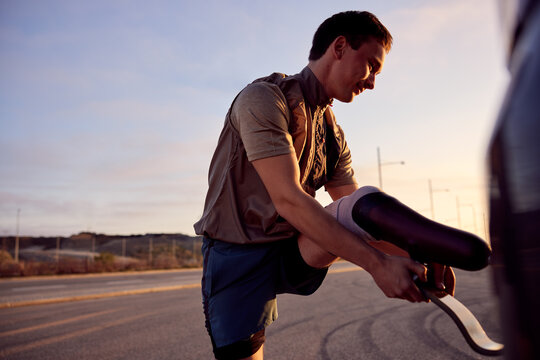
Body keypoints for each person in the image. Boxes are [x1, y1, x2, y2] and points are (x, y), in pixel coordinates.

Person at [194, 11, 457, 360]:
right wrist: (378, 266)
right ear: (340, 47)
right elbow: (288, 200)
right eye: (371, 66)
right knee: (245, 354)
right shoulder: (263, 99)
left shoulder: (331, 131)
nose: (373, 82)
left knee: (356, 206)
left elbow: (356, 212)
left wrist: (415, 256)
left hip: (289, 250)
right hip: (236, 256)